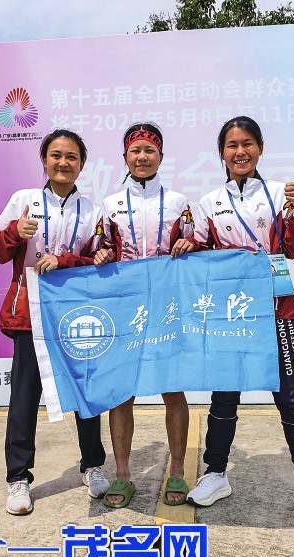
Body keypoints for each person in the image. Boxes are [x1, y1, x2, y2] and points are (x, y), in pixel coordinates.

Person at [188, 116, 294, 526]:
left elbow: (293, 249)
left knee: (290, 398)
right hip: (231, 315)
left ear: (260, 148)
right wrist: (187, 244)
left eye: (247, 143)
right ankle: (216, 474)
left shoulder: (280, 194)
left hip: (275, 312)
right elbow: (201, 254)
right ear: (222, 153)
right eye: (232, 145)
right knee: (224, 397)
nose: (240, 151)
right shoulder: (210, 202)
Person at [0, 129, 109, 515]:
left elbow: (98, 261)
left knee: (86, 395)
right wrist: (15, 232)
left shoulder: (92, 212)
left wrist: (66, 260)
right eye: (56, 155)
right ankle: (18, 478)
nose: (63, 162)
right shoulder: (23, 200)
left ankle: (92, 465)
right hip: (31, 314)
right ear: (44, 160)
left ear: (82, 164)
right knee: (24, 398)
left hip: (76, 316)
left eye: (71, 156)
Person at [93, 122, 195, 508]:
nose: (142, 157)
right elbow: (99, 247)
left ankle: (178, 470)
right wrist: (102, 254)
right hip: (125, 307)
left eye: (149, 150)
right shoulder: (109, 204)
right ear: (125, 157)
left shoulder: (180, 202)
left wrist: (189, 244)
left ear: (161, 157)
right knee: (122, 393)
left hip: (167, 307)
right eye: (135, 150)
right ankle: (122, 476)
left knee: (173, 388)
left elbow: (196, 243)